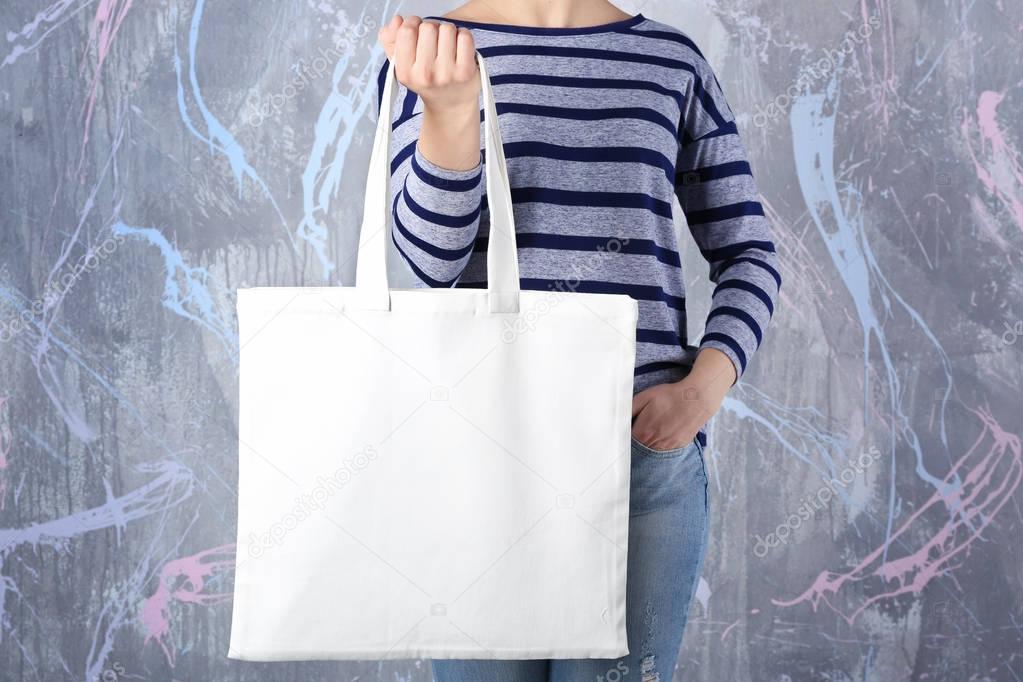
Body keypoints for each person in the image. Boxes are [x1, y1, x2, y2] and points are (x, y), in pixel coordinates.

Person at [374, 1, 781, 680]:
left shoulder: (671, 59)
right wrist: (448, 111)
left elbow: (748, 252)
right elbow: (431, 261)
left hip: (637, 455)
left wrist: (699, 394)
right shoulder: (432, 50)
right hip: (482, 455)